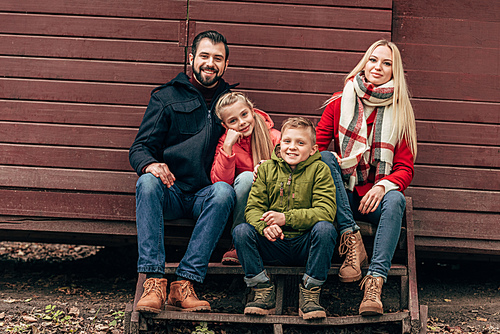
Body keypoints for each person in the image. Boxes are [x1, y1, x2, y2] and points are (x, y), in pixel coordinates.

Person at [129, 30, 238, 314]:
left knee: (225, 192)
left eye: (217, 58)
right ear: (191, 59)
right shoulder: (166, 97)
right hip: (172, 192)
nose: (210, 63)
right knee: (146, 183)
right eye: (204, 56)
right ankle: (153, 281)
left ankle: (184, 283)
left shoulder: (232, 103)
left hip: (206, 194)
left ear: (226, 64)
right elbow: (139, 148)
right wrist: (150, 165)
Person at [316, 40, 417, 316]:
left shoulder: (401, 111)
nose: (378, 67)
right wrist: (334, 161)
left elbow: (405, 168)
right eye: (374, 60)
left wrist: (382, 186)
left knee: (396, 197)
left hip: (375, 197)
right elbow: (316, 148)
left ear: (394, 71)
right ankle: (352, 239)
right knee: (325, 159)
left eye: (387, 63)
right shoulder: (340, 101)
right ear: (365, 62)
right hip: (343, 194)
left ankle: (374, 283)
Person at [233, 117, 337, 320]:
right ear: (279, 146)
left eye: (300, 143)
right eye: (287, 141)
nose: (292, 148)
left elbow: (325, 211)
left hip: (305, 245)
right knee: (241, 231)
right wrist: (264, 227)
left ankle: (310, 294)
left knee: (326, 229)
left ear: (313, 149)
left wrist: (285, 218)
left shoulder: (320, 170)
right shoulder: (266, 169)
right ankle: (263, 289)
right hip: (273, 243)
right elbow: (253, 209)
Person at [211, 92, 281, 265]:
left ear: (252, 111)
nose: (241, 122)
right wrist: (228, 147)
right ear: (225, 125)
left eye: (244, 114)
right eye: (233, 121)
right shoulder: (225, 143)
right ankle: (238, 242)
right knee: (246, 178)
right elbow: (220, 184)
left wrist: (268, 170)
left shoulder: (275, 137)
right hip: (245, 206)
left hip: (275, 201)